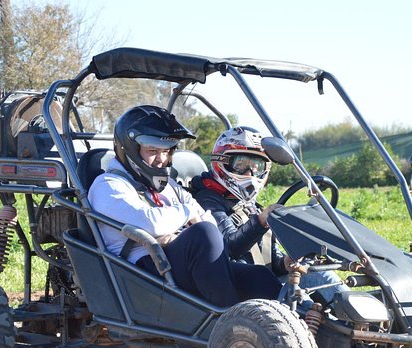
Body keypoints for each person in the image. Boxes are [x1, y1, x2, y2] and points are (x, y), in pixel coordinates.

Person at [87, 106, 281, 307]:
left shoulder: (167, 184)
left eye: (166, 151)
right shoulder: (108, 185)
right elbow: (151, 223)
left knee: (259, 277)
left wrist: (174, 234)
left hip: (172, 264)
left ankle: (297, 325)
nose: (161, 159)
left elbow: (208, 219)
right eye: (152, 151)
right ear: (129, 149)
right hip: (142, 272)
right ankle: (230, 323)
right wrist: (187, 214)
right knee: (202, 234)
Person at [190, 126, 347, 306]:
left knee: (320, 274)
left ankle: (364, 321)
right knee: (304, 304)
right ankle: (320, 328)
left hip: (264, 280)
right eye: (241, 165)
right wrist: (261, 221)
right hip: (239, 287)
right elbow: (228, 247)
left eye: (257, 167)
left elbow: (266, 255)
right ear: (223, 162)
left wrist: (283, 263)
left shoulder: (247, 204)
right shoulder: (207, 199)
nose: (250, 174)